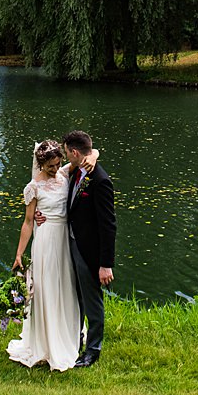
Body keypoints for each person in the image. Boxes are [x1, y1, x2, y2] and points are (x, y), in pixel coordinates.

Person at [6, 139, 95, 371]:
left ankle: (69, 334)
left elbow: (89, 152)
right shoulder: (33, 187)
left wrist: (94, 156)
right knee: (47, 288)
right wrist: (19, 254)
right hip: (46, 240)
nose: (55, 169)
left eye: (57, 164)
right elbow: (28, 222)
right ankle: (47, 342)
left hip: (65, 238)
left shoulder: (64, 174)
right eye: (50, 167)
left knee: (66, 286)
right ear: (40, 164)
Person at [61, 130, 116, 367]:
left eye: (67, 152)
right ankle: (76, 341)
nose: (65, 156)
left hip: (89, 251)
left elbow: (108, 225)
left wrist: (106, 264)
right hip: (73, 245)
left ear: (74, 152)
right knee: (77, 298)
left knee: (92, 302)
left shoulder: (100, 181)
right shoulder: (76, 171)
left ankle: (93, 351)